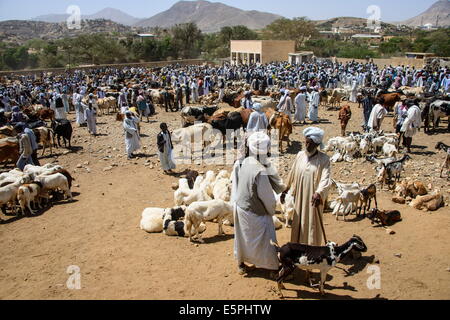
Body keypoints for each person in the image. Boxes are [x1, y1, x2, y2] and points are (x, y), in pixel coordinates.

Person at [231, 132, 286, 276]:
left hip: (241, 207)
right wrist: (271, 211)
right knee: (266, 240)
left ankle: (241, 263)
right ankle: (273, 269)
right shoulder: (260, 170)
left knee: (243, 239)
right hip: (254, 212)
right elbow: (267, 198)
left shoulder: (246, 161)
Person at [285, 127, 332, 246]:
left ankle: (312, 248)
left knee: (312, 222)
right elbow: (292, 172)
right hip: (299, 196)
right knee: (298, 221)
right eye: (305, 142)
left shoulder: (324, 159)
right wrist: (285, 188)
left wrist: (319, 193)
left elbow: (325, 179)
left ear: (316, 144)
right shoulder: (300, 155)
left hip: (313, 198)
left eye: (309, 143)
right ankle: (297, 247)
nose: (306, 145)